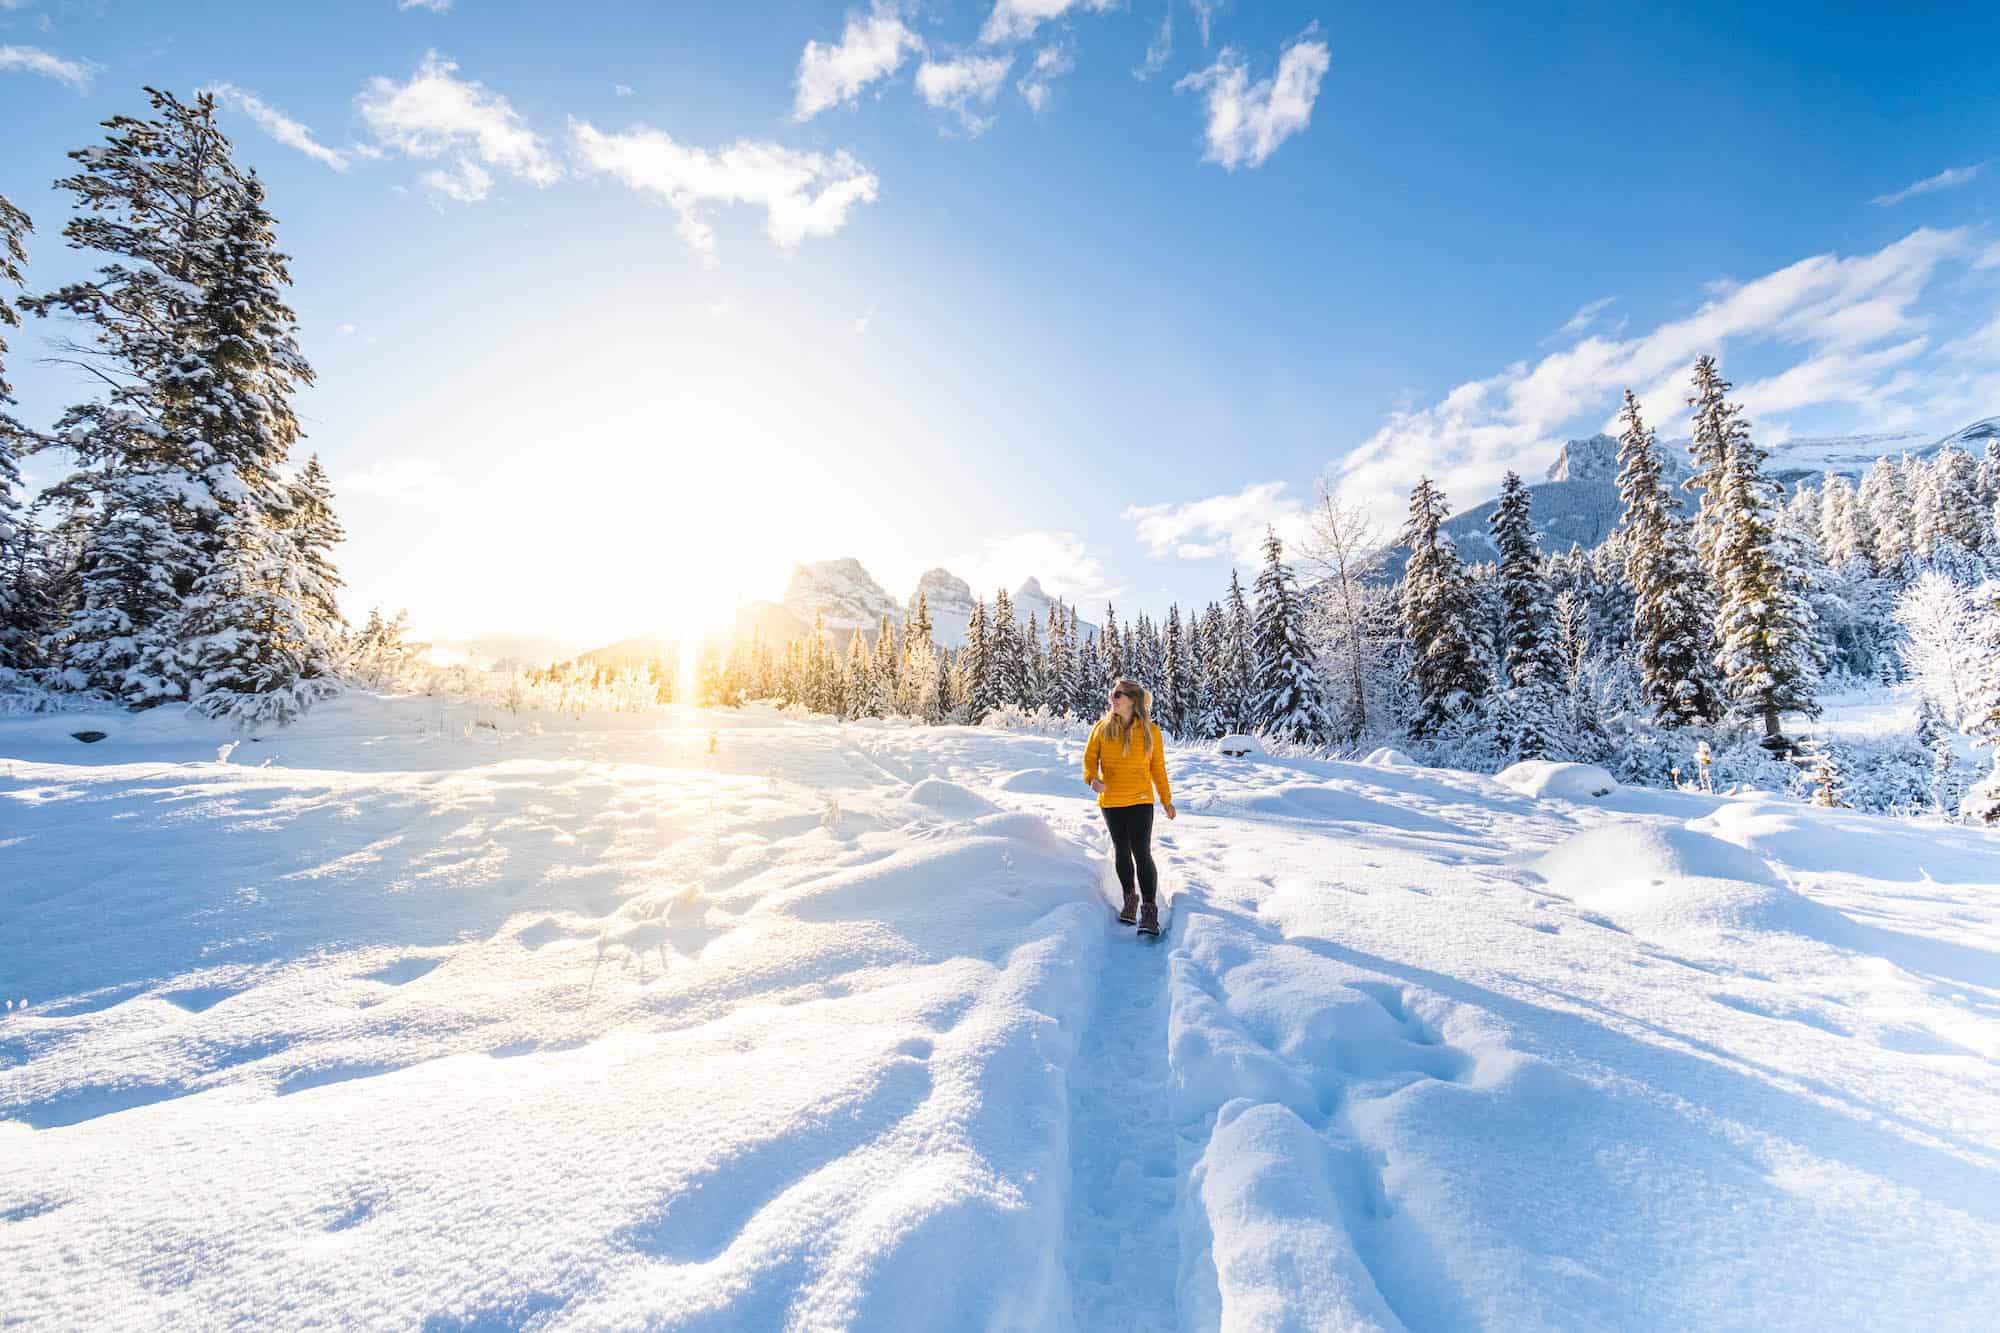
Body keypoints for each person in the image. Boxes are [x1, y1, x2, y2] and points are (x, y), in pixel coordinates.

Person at [1082, 677, 1176, 933]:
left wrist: (1166, 800)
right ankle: (1129, 900)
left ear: (1133, 700)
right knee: (1122, 849)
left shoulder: (1150, 731)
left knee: (1141, 851)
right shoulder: (1101, 728)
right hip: (1111, 801)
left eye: (1119, 695)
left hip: (1141, 800)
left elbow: (1158, 769)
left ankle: (1149, 909)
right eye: (1112, 694)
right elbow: (1089, 760)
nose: (1113, 698)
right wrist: (1092, 779)